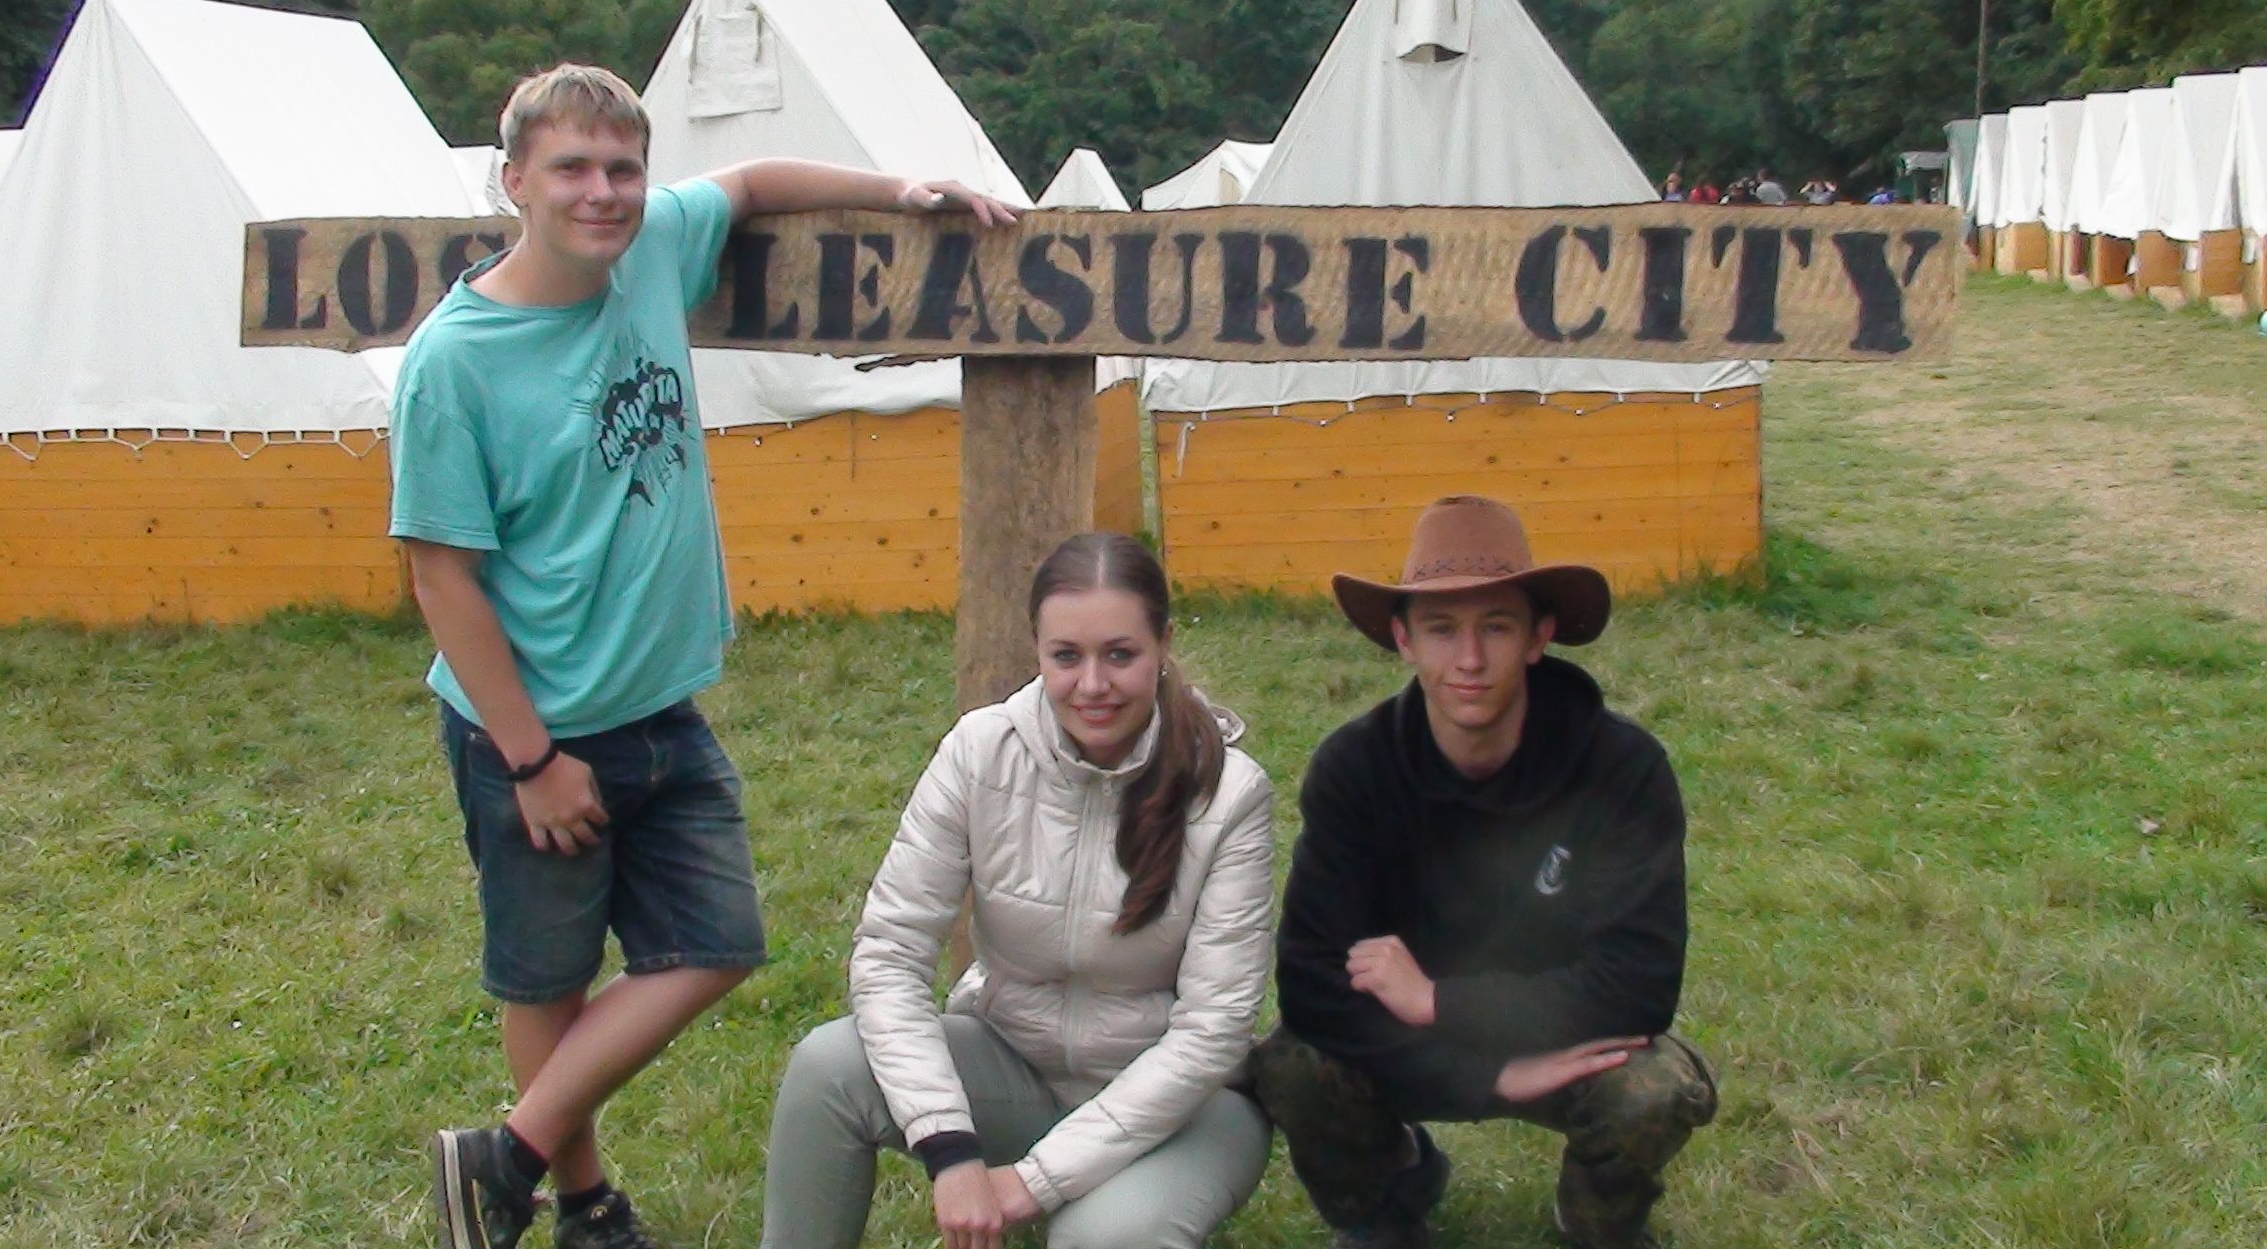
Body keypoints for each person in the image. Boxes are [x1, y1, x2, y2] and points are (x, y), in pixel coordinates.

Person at [394, 63, 1015, 1249]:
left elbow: (752, 179)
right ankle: (582, 1204)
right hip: (534, 726)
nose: (603, 191)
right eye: (571, 169)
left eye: (623, 168)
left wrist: (900, 190)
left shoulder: (650, 251)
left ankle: (505, 1158)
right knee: (547, 979)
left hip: (661, 707)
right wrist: (531, 762)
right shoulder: (454, 364)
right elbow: (442, 578)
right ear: (513, 181)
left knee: (719, 943)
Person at [759, 532, 1277, 1249]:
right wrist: (949, 1145)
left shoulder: (1231, 793)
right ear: (1037, 650)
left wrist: (1034, 1181)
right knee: (828, 1067)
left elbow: (1212, 1030)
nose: (1091, 685)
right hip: (1015, 1066)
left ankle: (1109, 1204)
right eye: (1066, 656)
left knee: (1103, 1239)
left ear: (1163, 644)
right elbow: (890, 952)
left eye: (1119, 655)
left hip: (1183, 1109)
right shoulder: (979, 753)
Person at [1248, 495, 1717, 1249]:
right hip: (1411, 1038)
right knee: (1293, 1063)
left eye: (1496, 627)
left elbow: (1639, 984)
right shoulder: (1353, 768)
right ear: (1403, 639)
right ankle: (1386, 1202)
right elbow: (1310, 981)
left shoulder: (1622, 768)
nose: (1469, 660)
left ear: (1539, 636)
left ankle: (1596, 1222)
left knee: (1652, 1089)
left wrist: (1440, 1001)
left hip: (1557, 1034)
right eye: (1442, 629)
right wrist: (1483, 1077)